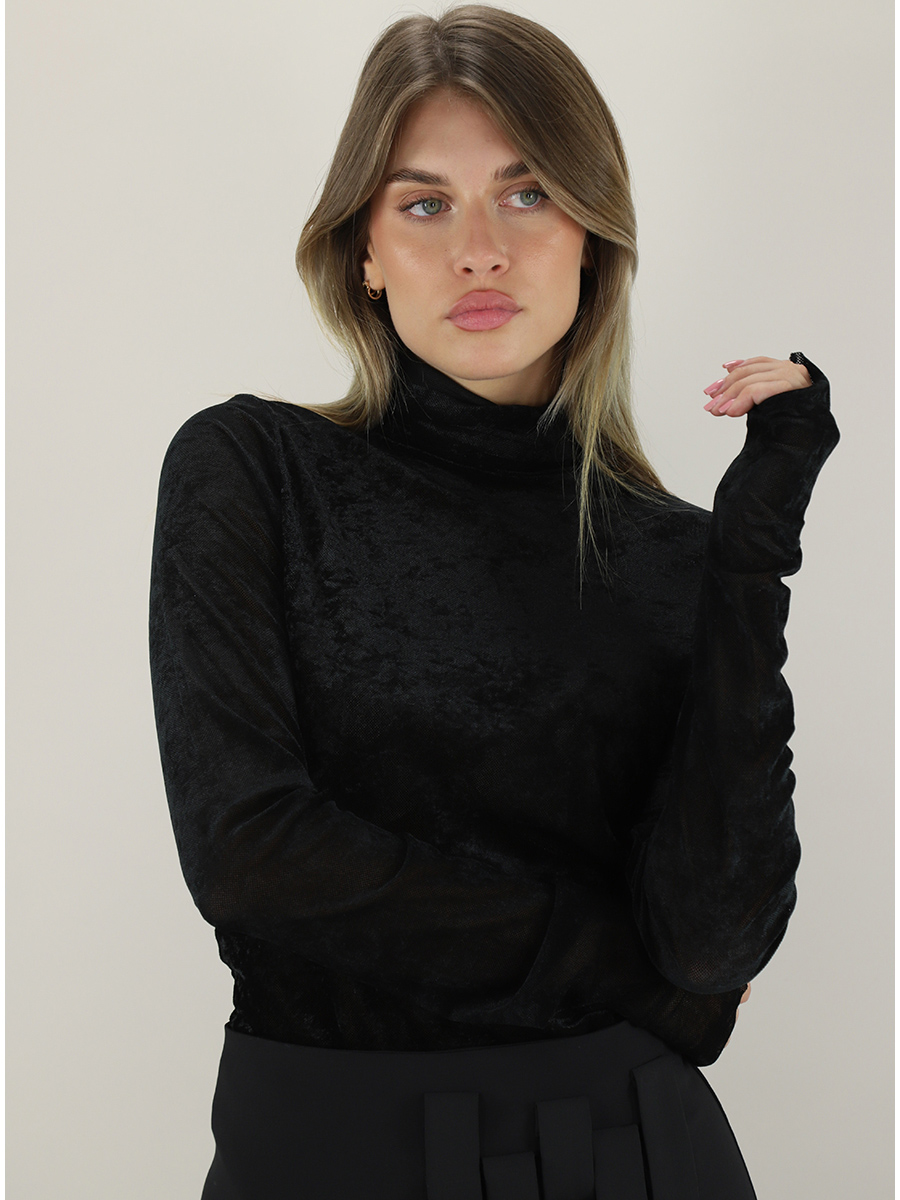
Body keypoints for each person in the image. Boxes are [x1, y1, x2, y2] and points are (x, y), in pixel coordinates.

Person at [148, 6, 840, 1198]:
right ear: (363, 252)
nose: (480, 249)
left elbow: (713, 948)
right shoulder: (254, 468)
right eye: (425, 204)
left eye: (527, 195)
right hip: (324, 1149)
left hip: (634, 1143)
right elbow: (249, 853)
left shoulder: (677, 552)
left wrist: (751, 554)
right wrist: (609, 964)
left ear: (592, 237)